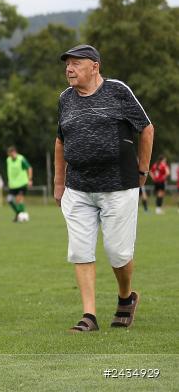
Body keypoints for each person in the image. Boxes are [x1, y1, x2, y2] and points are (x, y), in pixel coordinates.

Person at [54, 44, 153, 332]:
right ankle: (89, 316)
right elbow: (60, 140)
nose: (69, 69)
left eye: (76, 63)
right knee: (80, 250)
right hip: (78, 187)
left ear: (95, 66)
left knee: (118, 253)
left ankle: (126, 297)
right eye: (67, 64)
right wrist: (59, 182)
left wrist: (143, 170)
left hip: (118, 186)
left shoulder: (118, 90)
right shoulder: (65, 99)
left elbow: (146, 128)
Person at [5, 146, 33, 222]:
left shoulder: (21, 159)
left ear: (15, 152)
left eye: (13, 153)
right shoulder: (8, 160)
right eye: (10, 153)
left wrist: (30, 180)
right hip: (13, 185)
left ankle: (20, 216)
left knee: (19, 200)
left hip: (22, 184)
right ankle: (20, 214)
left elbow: (29, 168)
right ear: (8, 154)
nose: (12, 155)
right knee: (9, 200)